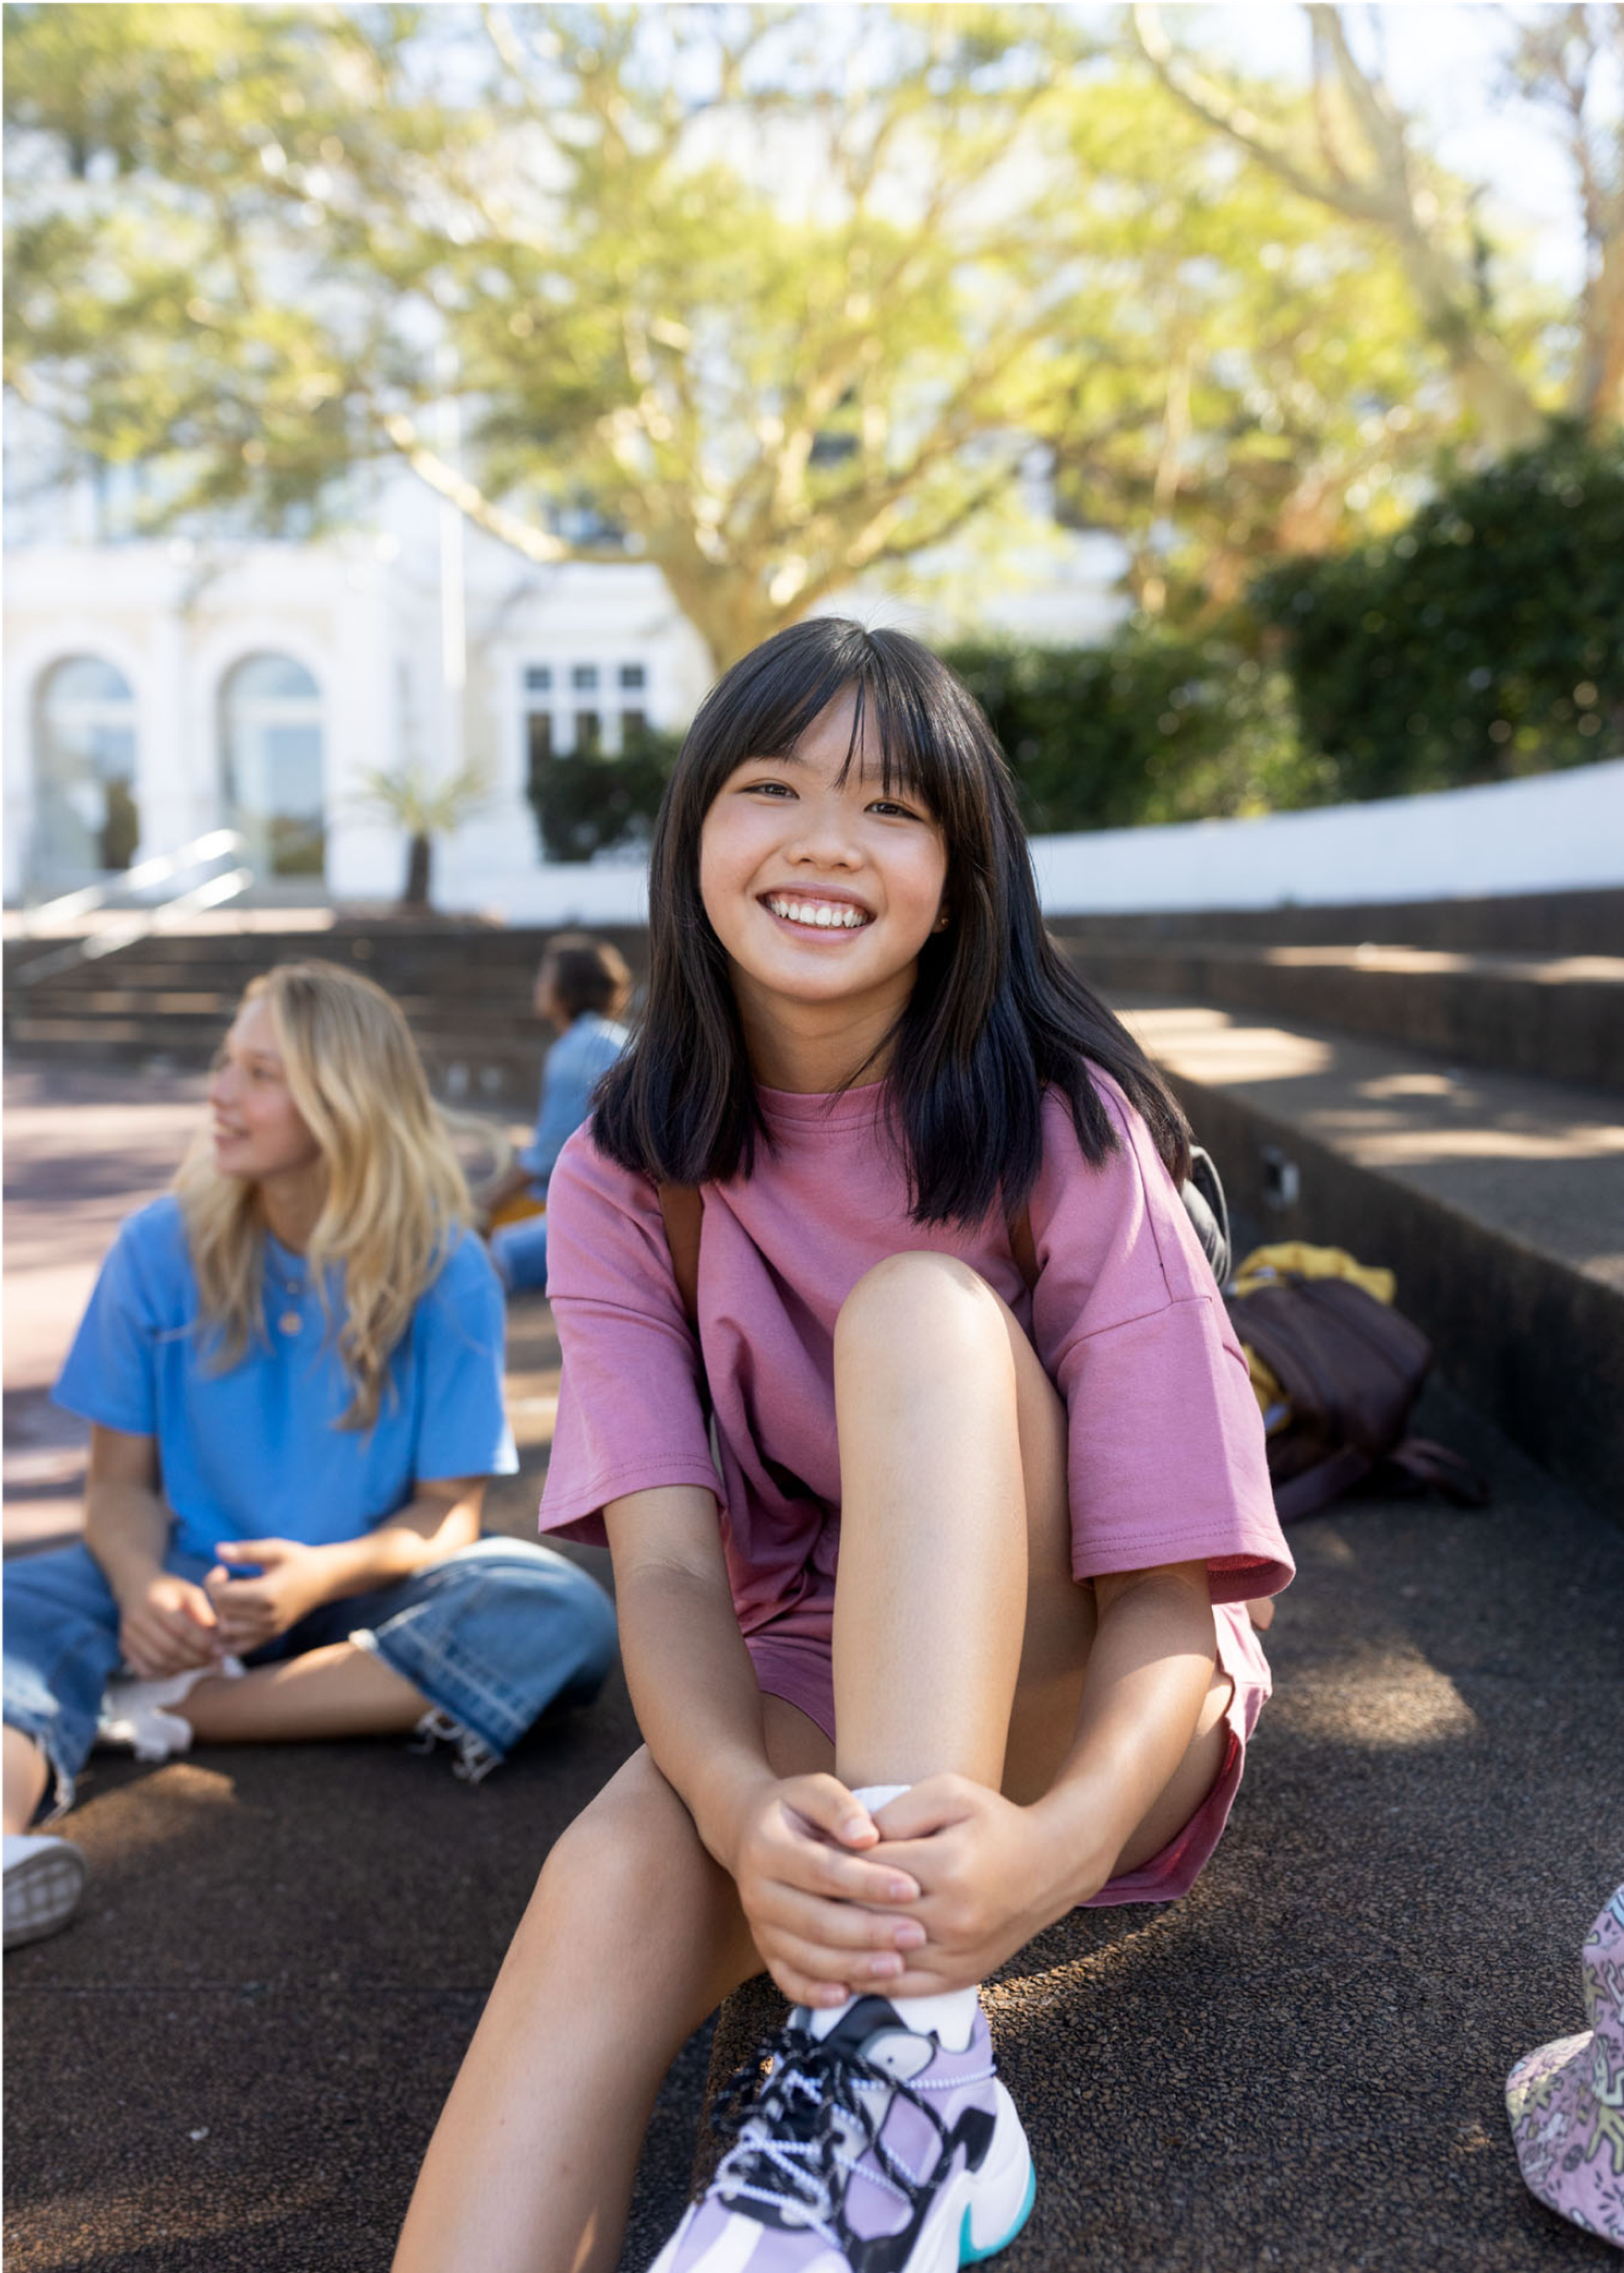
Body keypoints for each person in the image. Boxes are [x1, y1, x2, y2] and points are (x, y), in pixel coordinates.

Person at [393, 621, 1292, 2273]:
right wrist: (740, 1806)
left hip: (1084, 1683)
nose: (821, 836)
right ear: (693, 842)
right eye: (770, 785)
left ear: (961, 876)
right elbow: (666, 1566)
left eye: (890, 806)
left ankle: (910, 2065)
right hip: (811, 1659)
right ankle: (870, 2039)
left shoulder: (1063, 1122)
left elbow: (1177, 1595)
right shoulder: (625, 1167)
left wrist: (1063, 1838)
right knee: (605, 1886)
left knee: (918, 1316)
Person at [0, 960, 617, 1952]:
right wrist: (135, 1586)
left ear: (341, 1104)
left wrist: (320, 1573)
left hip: (358, 1590)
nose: (221, 1091)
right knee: (10, 1613)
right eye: (225, 1063)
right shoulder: (157, 1246)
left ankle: (175, 1705)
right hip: (183, 1576)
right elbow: (116, 1488)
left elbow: (446, 1515)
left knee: (562, 1612)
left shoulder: (444, 1268)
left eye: (259, 1073)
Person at [481, 934, 633, 1295]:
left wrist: (479, 1209)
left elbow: (545, 1158)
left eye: (545, 977)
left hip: (607, 1219)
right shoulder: (613, 1037)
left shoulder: (576, 1050)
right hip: (621, 1205)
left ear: (566, 989)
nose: (538, 986)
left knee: (477, 1262)